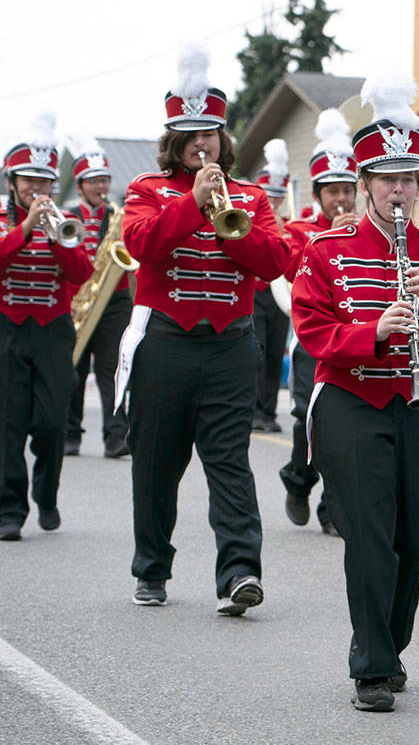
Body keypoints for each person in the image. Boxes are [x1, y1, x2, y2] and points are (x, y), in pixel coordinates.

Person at [293, 71, 419, 712]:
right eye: (385, 178)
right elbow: (313, 329)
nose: (398, 190)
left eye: (408, 178)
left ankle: (391, 645)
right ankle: (371, 663)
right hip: (352, 400)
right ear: (366, 183)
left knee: (413, 534)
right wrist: (373, 331)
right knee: (369, 531)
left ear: (417, 183)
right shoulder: (326, 251)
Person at [117, 44, 291, 611]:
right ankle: (152, 568)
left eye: (209, 133)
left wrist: (226, 222)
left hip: (231, 345)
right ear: (173, 140)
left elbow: (273, 263)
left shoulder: (250, 197)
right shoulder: (147, 189)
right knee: (157, 462)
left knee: (229, 462)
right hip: (165, 342)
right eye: (190, 135)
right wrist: (192, 204)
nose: (201, 143)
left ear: (223, 137)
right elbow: (140, 245)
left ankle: (239, 572)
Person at [0, 114, 94, 541]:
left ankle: (47, 493)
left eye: (43, 181)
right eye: (28, 180)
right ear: (12, 179)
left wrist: (56, 237)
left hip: (54, 330)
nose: (36, 190)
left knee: (53, 421)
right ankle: (10, 509)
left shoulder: (66, 222)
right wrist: (24, 229)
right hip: (8, 329)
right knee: (9, 423)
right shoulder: (3, 219)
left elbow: (82, 274)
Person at [278, 109, 359, 533]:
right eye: (334, 192)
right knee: (308, 420)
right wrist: (329, 238)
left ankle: (331, 507)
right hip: (310, 339)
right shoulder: (299, 228)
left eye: (348, 190)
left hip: (355, 336)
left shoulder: (366, 228)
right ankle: (297, 479)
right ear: (319, 193)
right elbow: (292, 272)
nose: (342, 200)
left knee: (342, 426)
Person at [64, 142, 132, 458]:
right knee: (73, 367)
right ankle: (69, 434)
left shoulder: (119, 214)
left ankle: (116, 436)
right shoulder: (68, 216)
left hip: (114, 301)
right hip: (77, 299)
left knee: (111, 369)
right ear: (80, 186)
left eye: (104, 180)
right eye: (93, 181)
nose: (100, 187)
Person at [251, 138, 292, 433]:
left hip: (282, 293)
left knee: (276, 351)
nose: (275, 202)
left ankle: (268, 411)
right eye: (270, 196)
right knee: (258, 351)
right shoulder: (252, 220)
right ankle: (253, 410)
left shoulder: (291, 223)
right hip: (256, 291)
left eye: (279, 196)